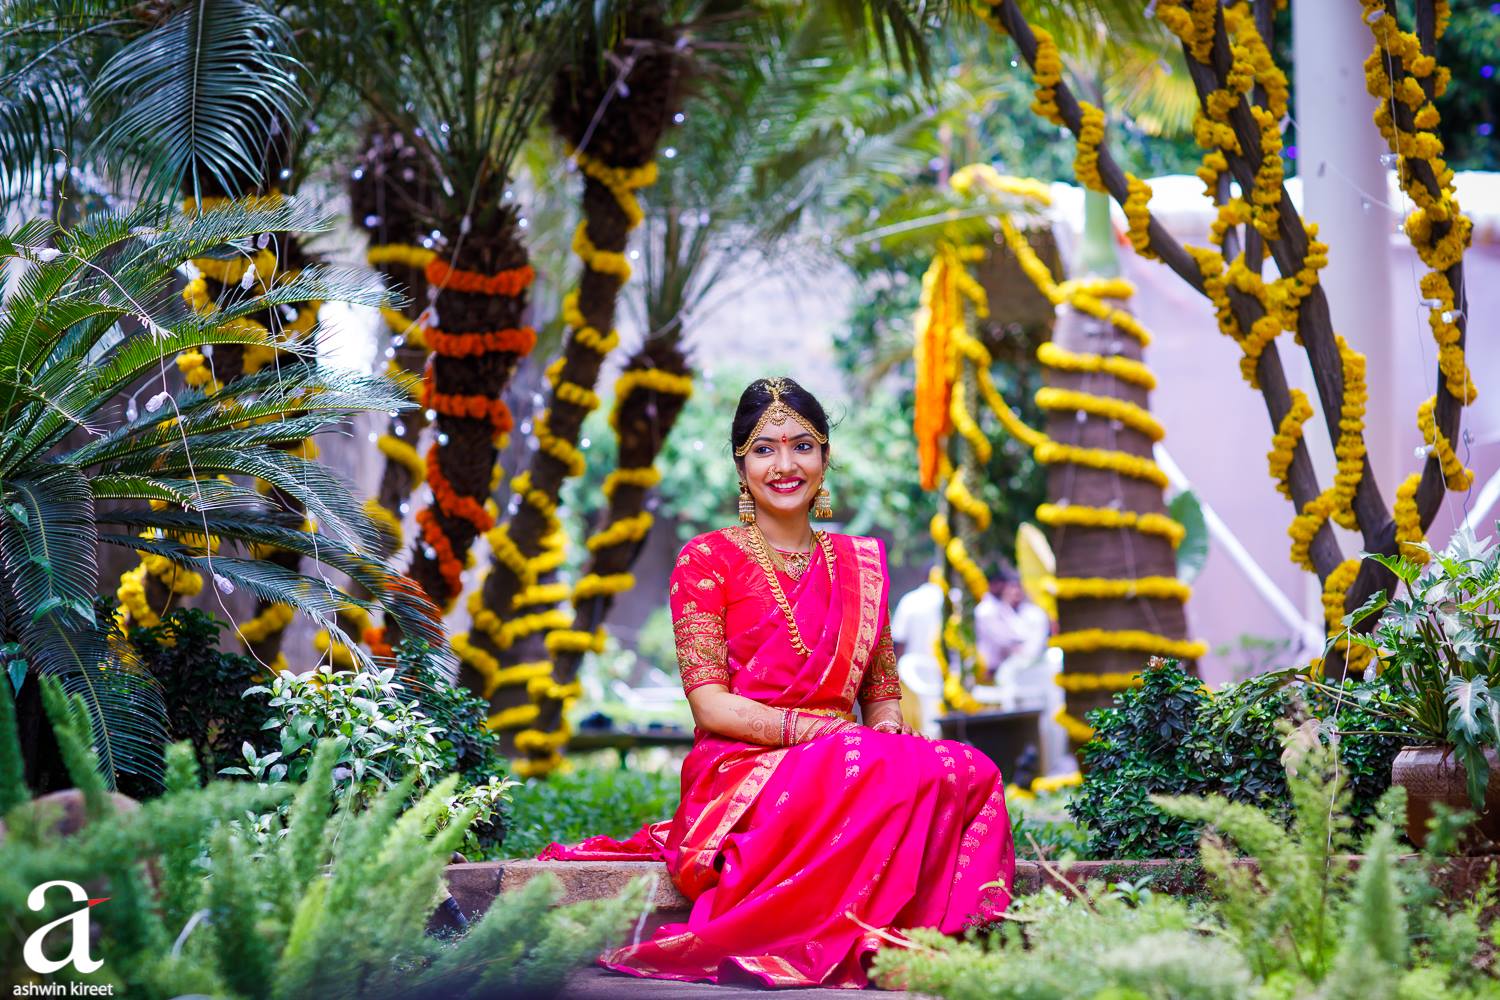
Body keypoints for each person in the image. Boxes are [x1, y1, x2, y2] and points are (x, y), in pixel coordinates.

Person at [541, 377, 1015, 989]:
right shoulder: (707, 559)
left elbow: (880, 689)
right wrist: (828, 735)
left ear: (825, 457)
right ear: (741, 464)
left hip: (850, 759)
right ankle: (852, 940)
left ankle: (930, 943)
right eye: (765, 449)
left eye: (803, 445)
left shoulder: (861, 562)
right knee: (866, 758)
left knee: (971, 769)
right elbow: (711, 707)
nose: (785, 465)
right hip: (746, 767)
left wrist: (888, 735)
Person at [974, 567, 1051, 711]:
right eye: (1011, 589)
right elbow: (1004, 639)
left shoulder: (1034, 613)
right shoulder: (994, 611)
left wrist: (1020, 650)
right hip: (999, 670)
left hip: (1032, 668)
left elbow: (1032, 645)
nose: (1014, 593)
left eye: (1017, 589)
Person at [890, 569, 946, 734]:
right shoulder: (952, 597)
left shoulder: (910, 600)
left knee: (921, 724)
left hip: (914, 676)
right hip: (946, 674)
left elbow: (898, 642)